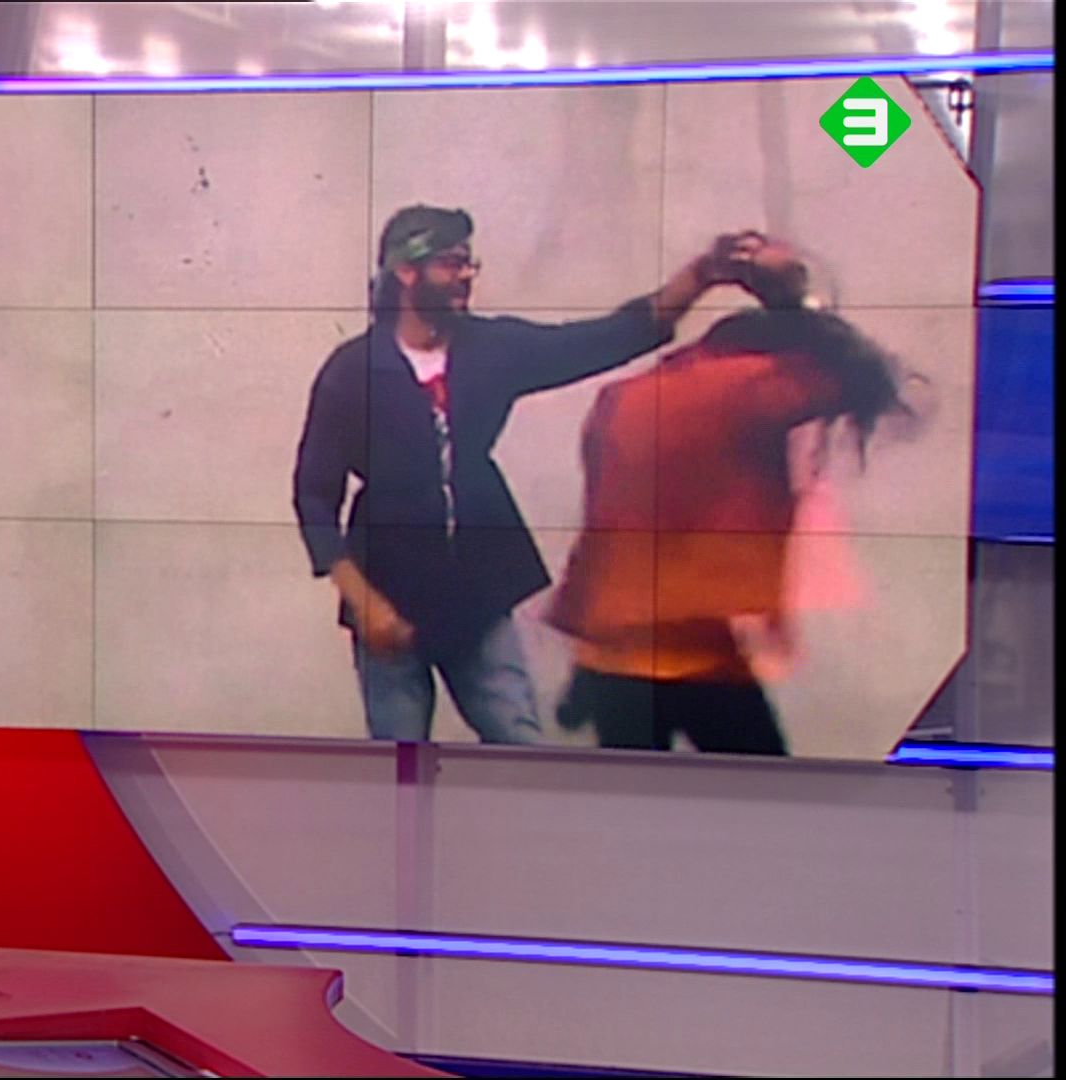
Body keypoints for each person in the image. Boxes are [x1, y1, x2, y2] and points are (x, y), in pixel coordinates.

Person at [293, 204, 762, 743]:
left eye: (469, 263)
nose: (465, 276)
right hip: (388, 593)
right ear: (406, 271)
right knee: (399, 761)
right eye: (450, 263)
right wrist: (364, 601)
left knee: (519, 744)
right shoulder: (354, 371)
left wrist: (700, 277)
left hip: (478, 595)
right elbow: (313, 494)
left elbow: (604, 338)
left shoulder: (488, 349)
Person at [545, 236, 908, 755]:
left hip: (616, 652)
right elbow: (860, 373)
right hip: (694, 651)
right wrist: (791, 295)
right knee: (761, 793)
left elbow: (601, 527)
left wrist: (584, 665)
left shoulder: (623, 398)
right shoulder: (755, 387)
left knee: (632, 797)